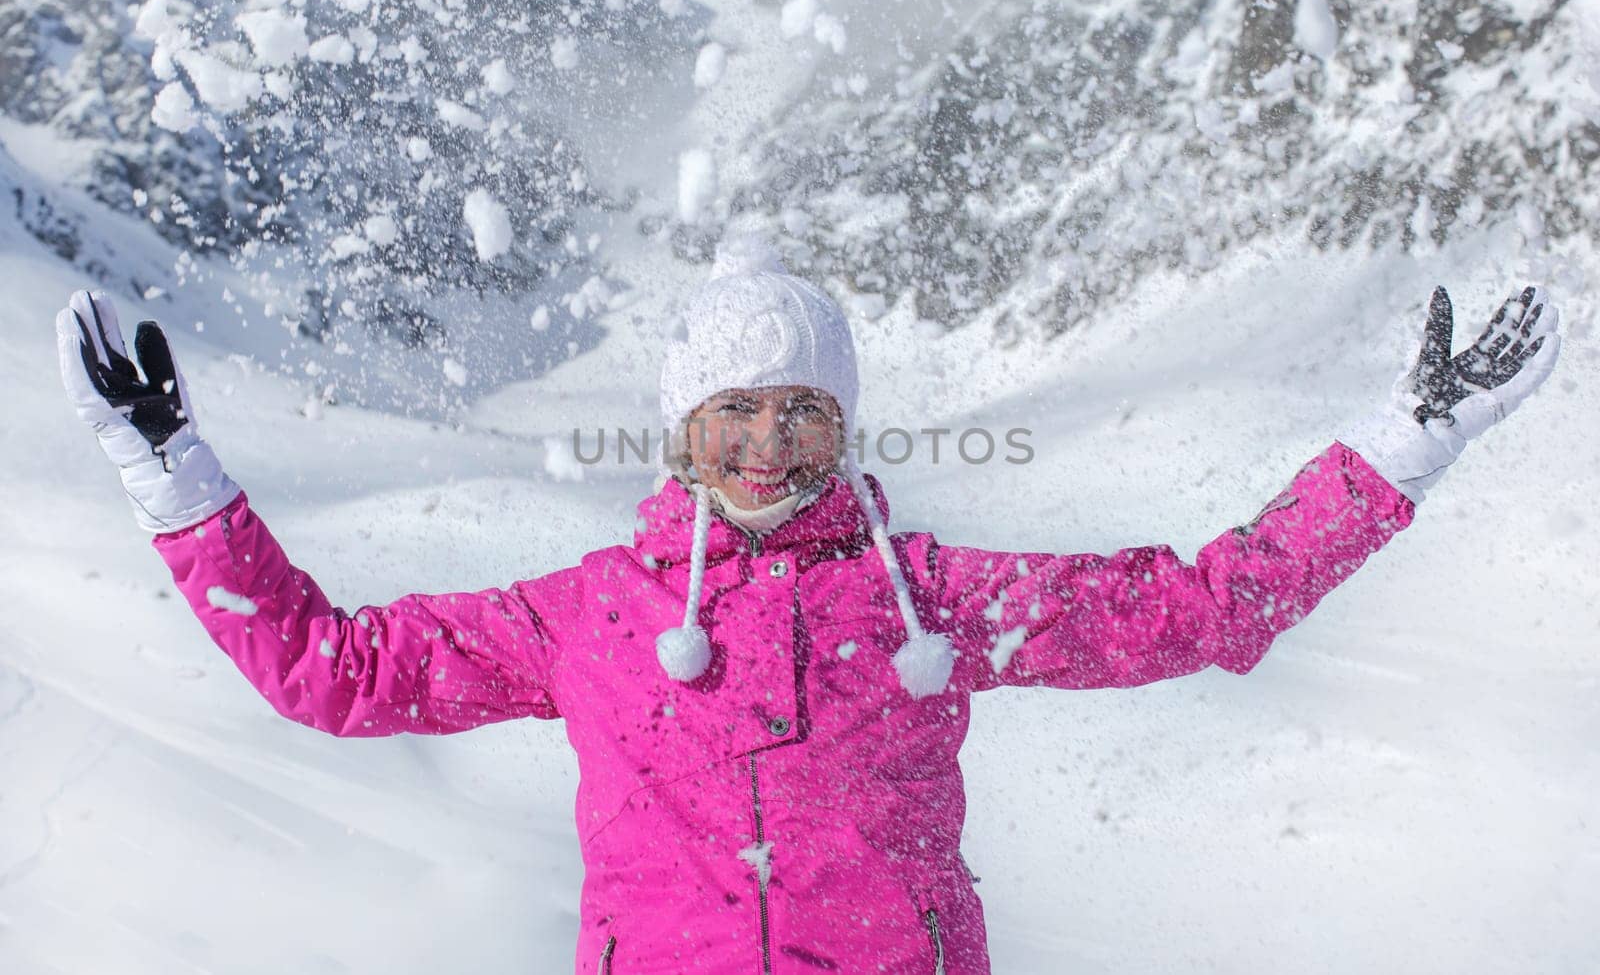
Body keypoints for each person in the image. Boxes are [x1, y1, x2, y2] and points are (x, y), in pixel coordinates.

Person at [56, 240, 1559, 975]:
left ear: (842, 428)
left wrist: (1409, 442)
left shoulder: (935, 603)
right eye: (735, 409)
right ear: (681, 429)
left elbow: (1204, 607)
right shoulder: (591, 614)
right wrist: (173, 473)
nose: (768, 440)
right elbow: (338, 673)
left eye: (800, 409)